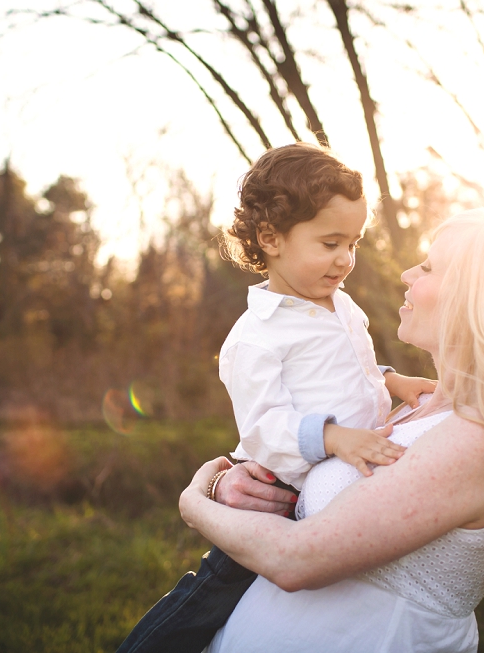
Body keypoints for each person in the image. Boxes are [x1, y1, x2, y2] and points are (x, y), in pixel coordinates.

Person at [180, 208, 484, 652]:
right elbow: (303, 452)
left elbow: (296, 559)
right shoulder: (416, 408)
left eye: (428, 267)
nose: (407, 274)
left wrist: (194, 503)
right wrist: (230, 483)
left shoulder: (483, 440)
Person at [116, 143, 434, 653]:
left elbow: (347, 370)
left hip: (328, 495)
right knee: (208, 601)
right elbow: (264, 427)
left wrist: (395, 382)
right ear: (271, 238)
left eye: (353, 243)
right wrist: (332, 437)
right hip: (272, 497)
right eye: (330, 243)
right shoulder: (254, 338)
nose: (345, 260)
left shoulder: (341, 305)